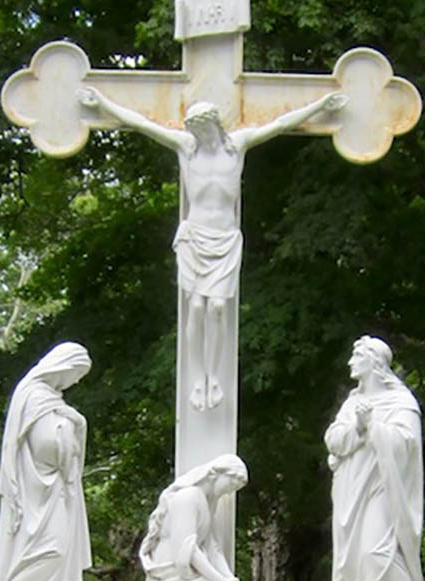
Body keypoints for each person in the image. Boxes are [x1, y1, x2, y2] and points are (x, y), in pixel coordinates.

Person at [78, 87, 344, 410]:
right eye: (194, 130)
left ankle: (213, 377)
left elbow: (280, 123)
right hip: (194, 238)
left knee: (217, 307)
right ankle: (197, 378)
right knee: (196, 307)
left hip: (225, 239)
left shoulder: (237, 147)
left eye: (203, 128)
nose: (199, 134)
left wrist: (318, 105)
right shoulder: (187, 148)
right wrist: (104, 103)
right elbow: (143, 123)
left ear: (214, 125)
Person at [0, 342, 92, 581]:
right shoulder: (35, 395)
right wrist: (71, 427)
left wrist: (75, 423)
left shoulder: (49, 399)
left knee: (52, 554)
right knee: (46, 552)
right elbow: (48, 446)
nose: (77, 381)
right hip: (38, 495)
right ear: (63, 366)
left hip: (52, 491)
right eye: (77, 374)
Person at [325, 336, 425, 581]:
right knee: (355, 560)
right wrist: (357, 427)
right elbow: (333, 440)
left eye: (356, 356)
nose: (350, 363)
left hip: (384, 487)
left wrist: (374, 428)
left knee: (375, 553)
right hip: (351, 490)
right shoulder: (351, 403)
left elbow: (407, 444)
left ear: (374, 362)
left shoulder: (401, 402)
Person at [129, 453, 265, 581]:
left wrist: (228, 580)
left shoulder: (208, 503)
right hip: (174, 575)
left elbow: (213, 548)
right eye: (232, 483)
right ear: (216, 474)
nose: (231, 491)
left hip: (191, 573)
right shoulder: (188, 497)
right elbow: (187, 548)